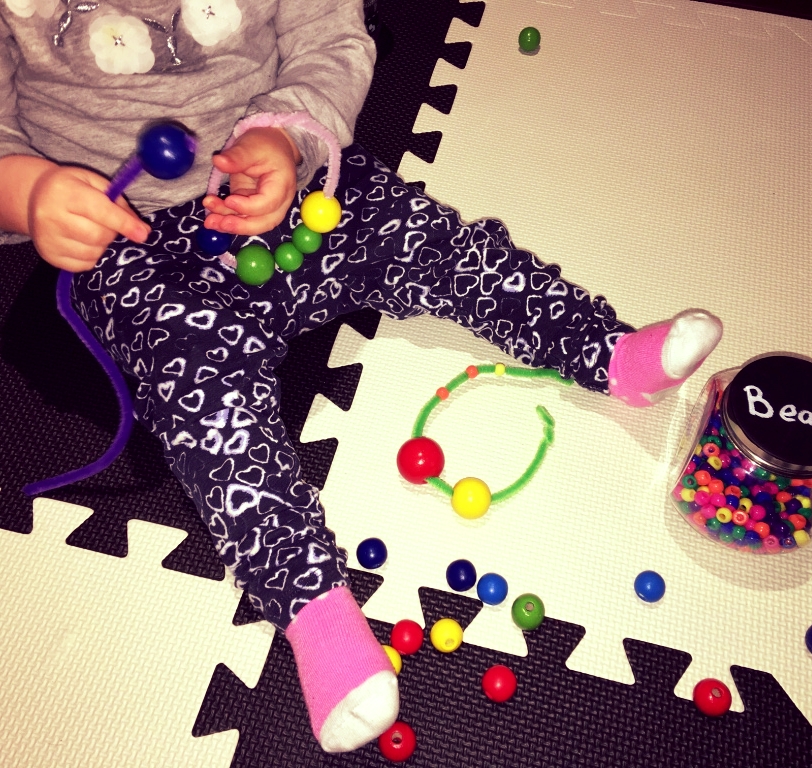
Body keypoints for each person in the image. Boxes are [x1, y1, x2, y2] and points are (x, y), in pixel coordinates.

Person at [0, 0, 722, 754]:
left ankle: (607, 351)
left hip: (287, 185)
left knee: (430, 241)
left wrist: (282, 135)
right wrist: (29, 191)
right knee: (210, 410)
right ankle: (315, 613)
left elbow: (332, 41)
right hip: (126, 245)